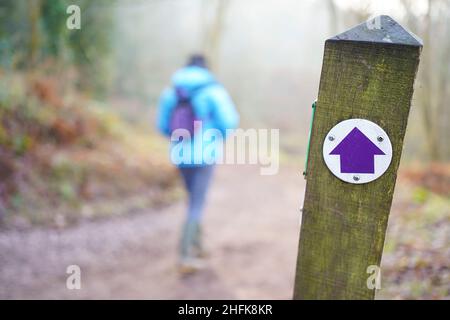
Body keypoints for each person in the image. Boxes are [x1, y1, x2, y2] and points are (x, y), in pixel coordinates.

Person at [157, 54, 239, 273]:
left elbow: (163, 125)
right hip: (205, 154)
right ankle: (185, 257)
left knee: (193, 200)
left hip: (180, 154)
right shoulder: (213, 91)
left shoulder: (171, 91)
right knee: (197, 203)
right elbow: (229, 122)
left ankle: (198, 246)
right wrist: (215, 135)